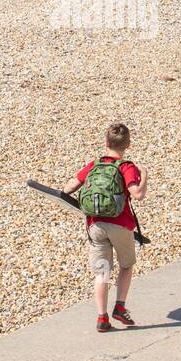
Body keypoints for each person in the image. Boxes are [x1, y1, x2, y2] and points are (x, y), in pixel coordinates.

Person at [62, 123, 148, 332]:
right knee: (126, 265)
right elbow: (137, 194)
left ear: (106, 143)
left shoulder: (94, 164)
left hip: (95, 225)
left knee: (102, 272)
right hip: (120, 225)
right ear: (128, 145)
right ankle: (119, 306)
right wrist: (144, 175)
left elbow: (68, 189)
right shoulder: (127, 166)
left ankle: (102, 318)